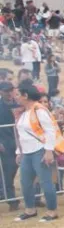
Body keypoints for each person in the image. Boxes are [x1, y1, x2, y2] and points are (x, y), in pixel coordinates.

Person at [12, 82, 60, 222]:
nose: (16, 98)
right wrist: (18, 152)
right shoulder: (24, 112)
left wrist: (49, 151)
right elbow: (22, 134)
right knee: (25, 182)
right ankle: (30, 209)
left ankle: (52, 211)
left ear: (25, 95)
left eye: (18, 95)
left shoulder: (39, 110)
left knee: (46, 181)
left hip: (40, 150)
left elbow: (50, 130)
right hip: (26, 152)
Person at [0, 81, 19, 210]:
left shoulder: (18, 104)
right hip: (5, 143)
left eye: (11, 90)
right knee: (8, 171)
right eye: (6, 91)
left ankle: (35, 197)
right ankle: (12, 201)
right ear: (1, 92)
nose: (9, 93)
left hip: (20, 141)